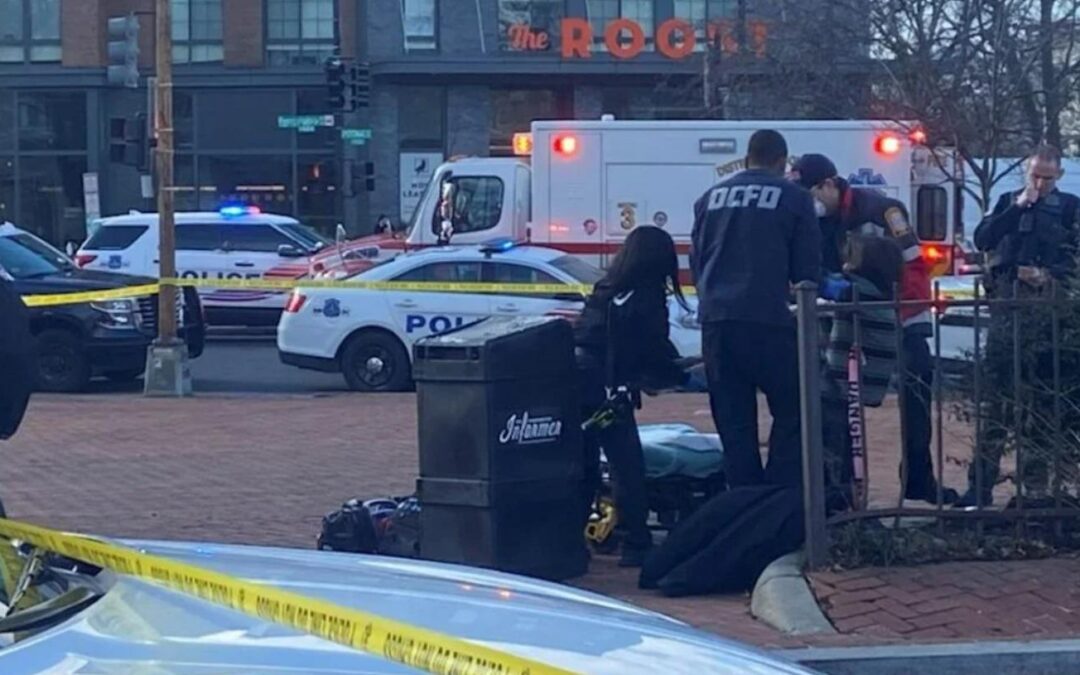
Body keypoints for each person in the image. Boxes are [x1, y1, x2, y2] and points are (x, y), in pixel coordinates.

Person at [791, 153, 959, 505]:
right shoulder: (815, 222)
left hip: (902, 318)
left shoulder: (883, 211)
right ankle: (838, 484)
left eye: (811, 194)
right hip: (846, 324)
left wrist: (896, 316)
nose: (810, 203)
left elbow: (914, 269)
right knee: (835, 396)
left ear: (828, 184)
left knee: (915, 393)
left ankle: (918, 478)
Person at [690, 129, 821, 489]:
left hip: (717, 321)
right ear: (781, 162)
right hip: (768, 321)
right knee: (794, 411)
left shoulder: (709, 198)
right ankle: (777, 497)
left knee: (734, 425)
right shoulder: (794, 198)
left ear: (748, 158)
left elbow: (698, 260)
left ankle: (743, 503)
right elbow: (807, 271)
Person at [964, 144, 1080, 507]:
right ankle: (979, 486)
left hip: (1049, 320)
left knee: (1043, 404)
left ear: (1059, 175)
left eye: (1047, 177)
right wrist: (1018, 207)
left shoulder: (1070, 208)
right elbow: (983, 238)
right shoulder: (1006, 202)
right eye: (1035, 176)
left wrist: (1047, 276)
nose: (1040, 183)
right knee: (997, 403)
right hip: (1007, 313)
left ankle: (1035, 489)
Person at [574, 225, 692, 567]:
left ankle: (570, 538)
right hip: (610, 392)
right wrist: (679, 374)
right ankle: (636, 542)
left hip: (578, 385)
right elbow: (651, 350)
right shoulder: (648, 297)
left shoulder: (606, 289)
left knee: (583, 466)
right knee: (627, 466)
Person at [819, 235, 904, 513]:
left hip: (847, 381)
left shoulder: (858, 291)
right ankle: (842, 495)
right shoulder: (879, 292)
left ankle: (839, 498)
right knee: (841, 436)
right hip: (858, 377)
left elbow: (826, 285)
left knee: (835, 439)